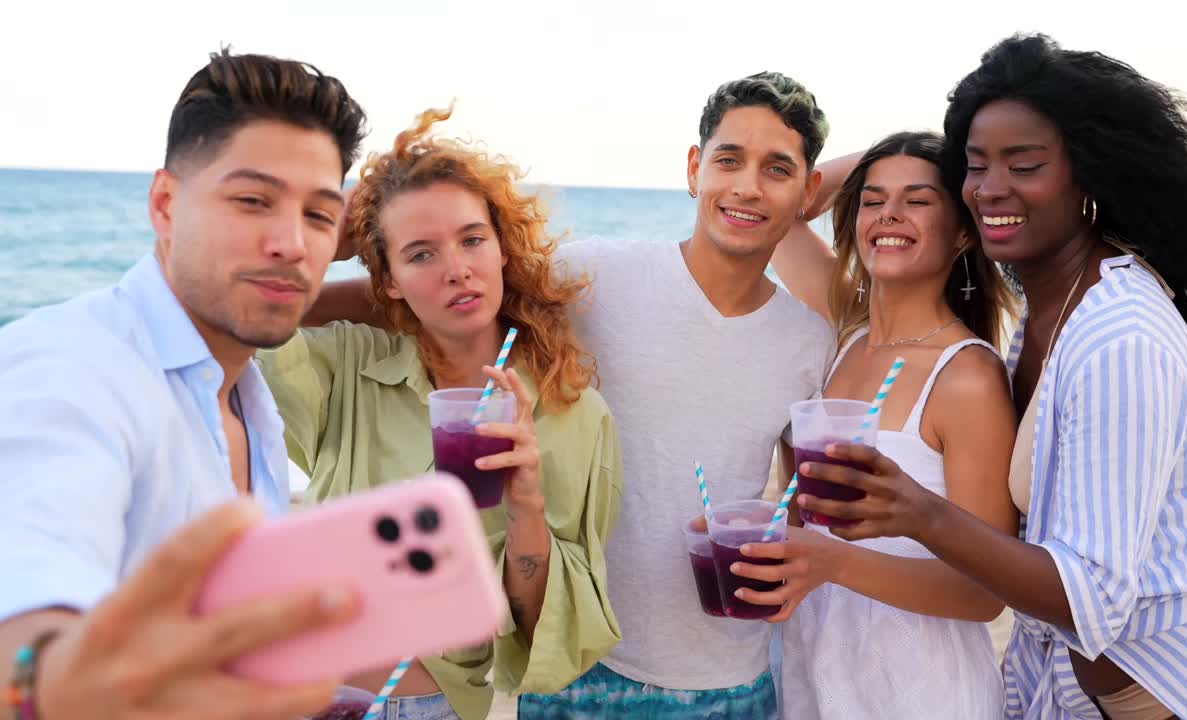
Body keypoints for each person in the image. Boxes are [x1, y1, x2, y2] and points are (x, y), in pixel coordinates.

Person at [309, 71, 836, 719]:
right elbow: (431, 297)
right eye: (729, 160)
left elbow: (802, 506)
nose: (747, 186)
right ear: (695, 168)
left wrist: (794, 565)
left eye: (777, 169)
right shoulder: (592, 276)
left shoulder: (809, 341)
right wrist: (350, 228)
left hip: (730, 672)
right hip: (575, 668)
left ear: (809, 190)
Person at [789, 34, 1187, 719]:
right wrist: (920, 162)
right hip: (1079, 694)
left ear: (1090, 174)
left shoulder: (1120, 338)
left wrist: (919, 514)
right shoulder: (1047, 313)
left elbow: (1091, 597)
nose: (992, 188)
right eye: (975, 165)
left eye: (1024, 164)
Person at [0, 49, 368, 720]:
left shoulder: (248, 397)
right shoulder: (72, 371)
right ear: (166, 204)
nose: (292, 243)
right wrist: (42, 689)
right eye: (253, 200)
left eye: (319, 216)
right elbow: (27, 583)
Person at [257, 106, 623, 720]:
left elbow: (542, 632)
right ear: (391, 279)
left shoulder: (574, 414)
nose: (457, 269)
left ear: (502, 249)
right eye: (421, 254)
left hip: (437, 706)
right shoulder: (347, 366)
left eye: (473, 239)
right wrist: (327, 237)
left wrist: (527, 503)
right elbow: (246, 311)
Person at [756, 130, 1017, 719]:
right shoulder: (840, 334)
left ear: (963, 231)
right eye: (872, 201)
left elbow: (983, 593)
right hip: (809, 673)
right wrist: (893, 151)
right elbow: (787, 207)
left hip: (917, 688)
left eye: (918, 200)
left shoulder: (967, 377)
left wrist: (831, 563)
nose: (889, 215)